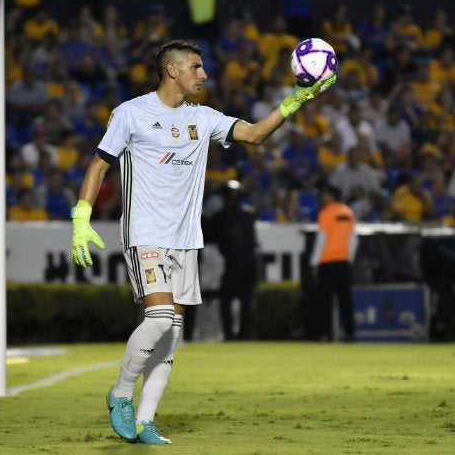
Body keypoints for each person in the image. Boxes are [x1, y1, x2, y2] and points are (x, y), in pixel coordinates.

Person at [69, 39, 336, 444]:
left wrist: (295, 100)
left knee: (172, 333)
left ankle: (145, 420)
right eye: (196, 67)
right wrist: (81, 217)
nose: (204, 74)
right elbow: (98, 165)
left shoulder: (204, 117)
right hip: (145, 232)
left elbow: (254, 134)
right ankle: (121, 394)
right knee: (158, 319)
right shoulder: (131, 114)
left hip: (186, 238)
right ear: (172, 70)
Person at [309, 185, 358, 342]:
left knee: (325, 301)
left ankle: (326, 334)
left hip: (328, 263)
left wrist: (314, 263)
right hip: (343, 263)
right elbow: (353, 240)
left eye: (325, 195)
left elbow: (321, 241)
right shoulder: (349, 213)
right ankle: (350, 332)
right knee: (346, 301)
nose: (322, 198)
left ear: (331, 196)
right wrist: (348, 259)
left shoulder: (326, 213)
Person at [211, 180, 258, 340]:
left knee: (226, 299)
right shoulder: (249, 214)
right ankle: (245, 334)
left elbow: (211, 237)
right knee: (246, 300)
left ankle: (229, 334)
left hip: (233, 262)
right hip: (249, 262)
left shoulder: (220, 216)